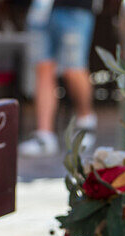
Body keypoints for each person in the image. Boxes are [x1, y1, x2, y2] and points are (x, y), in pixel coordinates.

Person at [18, 0, 99, 157]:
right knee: (43, 68)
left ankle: (86, 122)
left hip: (74, 8)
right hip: (41, 9)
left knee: (73, 69)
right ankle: (44, 135)